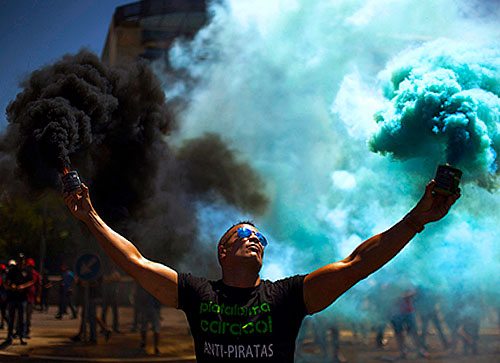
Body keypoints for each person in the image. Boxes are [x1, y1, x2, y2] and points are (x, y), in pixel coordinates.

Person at [63, 179, 459, 362]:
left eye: (260, 238)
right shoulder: (199, 295)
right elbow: (136, 262)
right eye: (245, 235)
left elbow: (357, 263)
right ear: (223, 250)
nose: (256, 240)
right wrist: (90, 217)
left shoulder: (286, 297)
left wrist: (415, 220)